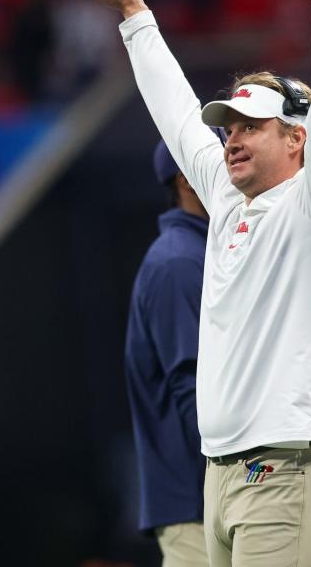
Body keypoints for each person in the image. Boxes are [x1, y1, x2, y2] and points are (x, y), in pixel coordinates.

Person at [87, 0, 311, 566]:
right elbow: (178, 114)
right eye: (231, 127)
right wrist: (135, 12)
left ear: (297, 138)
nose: (232, 139)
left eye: (251, 126)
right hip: (220, 473)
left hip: (286, 469)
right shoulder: (228, 200)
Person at [125, 140, 209, 566]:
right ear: (186, 179)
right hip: (197, 505)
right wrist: (243, 477)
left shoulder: (199, 252)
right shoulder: (179, 261)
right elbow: (192, 385)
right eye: (213, 158)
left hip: (204, 501)